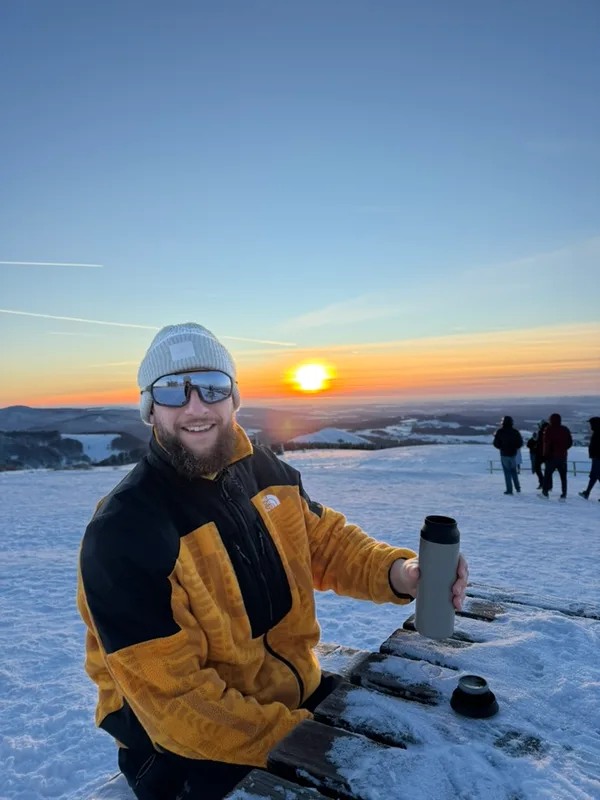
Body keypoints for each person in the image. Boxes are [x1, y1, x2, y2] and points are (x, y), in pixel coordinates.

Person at [77, 323, 469, 800]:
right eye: (172, 391)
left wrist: (401, 573)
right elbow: (177, 706)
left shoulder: (263, 469)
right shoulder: (125, 531)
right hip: (186, 753)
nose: (196, 407)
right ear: (150, 408)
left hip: (292, 697)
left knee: (435, 747)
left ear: (233, 398)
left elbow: (326, 544)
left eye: (212, 386)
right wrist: (307, 740)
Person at [541, 413, 573, 500]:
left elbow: (547, 444)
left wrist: (545, 455)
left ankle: (545, 493)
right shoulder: (565, 429)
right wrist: (564, 449)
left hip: (551, 456)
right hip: (563, 456)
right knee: (563, 477)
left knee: (547, 475)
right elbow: (570, 442)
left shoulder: (549, 429)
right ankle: (564, 494)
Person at [493, 416, 523, 495]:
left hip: (504, 454)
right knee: (514, 471)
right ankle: (518, 488)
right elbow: (520, 443)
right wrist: (515, 448)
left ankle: (509, 490)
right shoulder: (515, 431)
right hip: (513, 454)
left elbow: (495, 443)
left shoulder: (500, 431)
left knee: (507, 472)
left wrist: (501, 447)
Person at [579, 417, 600, 501]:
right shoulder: (596, 432)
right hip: (596, 457)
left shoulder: (598, 432)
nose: (590, 426)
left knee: (594, 475)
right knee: (597, 475)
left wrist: (593, 454)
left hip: (597, 457)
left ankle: (587, 493)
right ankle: (587, 492)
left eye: (591, 423)